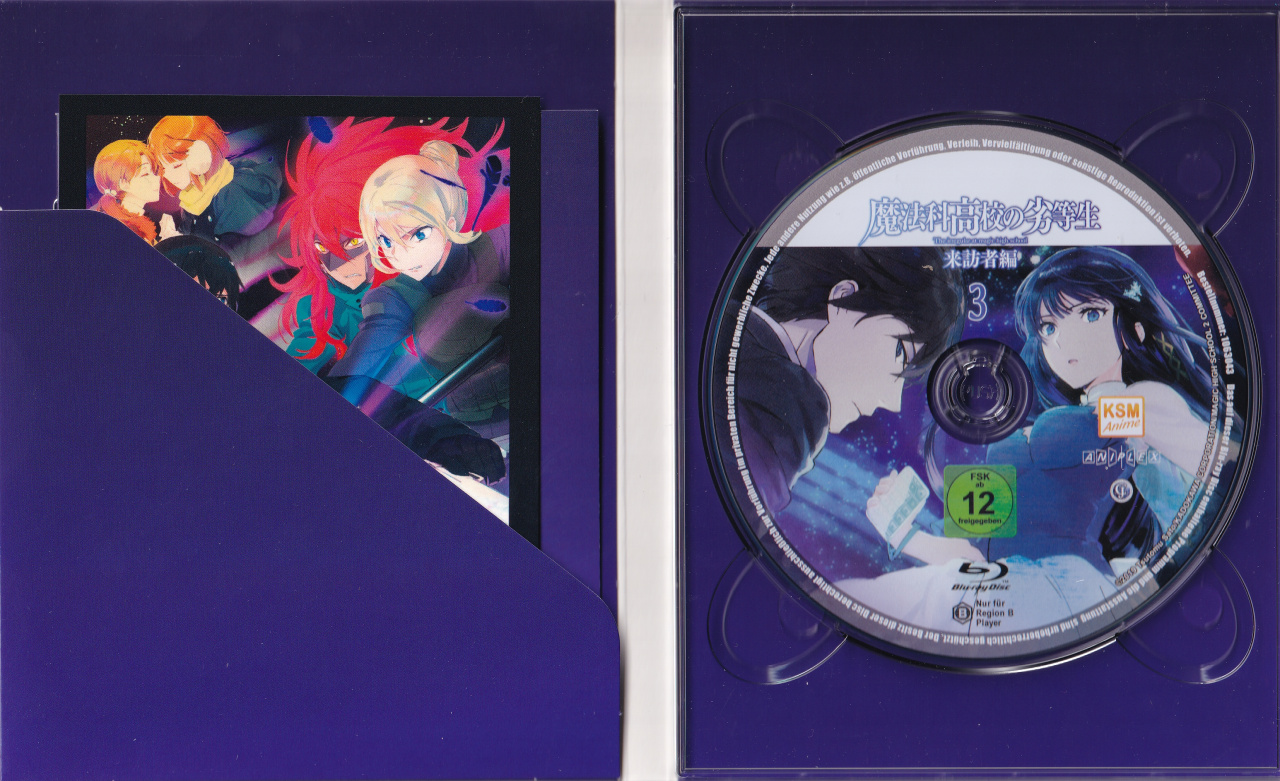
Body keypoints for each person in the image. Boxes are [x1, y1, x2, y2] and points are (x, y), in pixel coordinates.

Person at [981, 246, 1213, 573]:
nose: (1065, 340)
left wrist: (1028, 438)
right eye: (1048, 328)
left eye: (1091, 314)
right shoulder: (1090, 413)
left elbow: (1091, 427)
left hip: (1202, 547)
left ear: (1134, 329)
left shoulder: (1146, 398)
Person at [736, 245, 974, 565]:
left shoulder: (733, 332)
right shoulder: (790, 406)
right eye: (899, 352)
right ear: (844, 301)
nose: (892, 402)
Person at [275, 116, 503, 378]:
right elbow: (296, 369)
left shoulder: (461, 253)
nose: (338, 262)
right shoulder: (328, 308)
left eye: (354, 241)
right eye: (321, 246)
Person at [328, 138, 511, 441]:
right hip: (479, 421)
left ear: (448, 222)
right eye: (386, 241)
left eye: (416, 235)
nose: (400, 254)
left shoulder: (497, 245)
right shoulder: (395, 296)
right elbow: (367, 350)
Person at [147, 115, 282, 243]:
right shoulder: (191, 197)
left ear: (201, 155)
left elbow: (235, 253)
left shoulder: (232, 196)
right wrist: (174, 238)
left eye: (176, 166)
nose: (168, 175)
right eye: (164, 168)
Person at [89, 139, 179, 244]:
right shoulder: (121, 228)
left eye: (154, 171)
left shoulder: (133, 219)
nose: (156, 179)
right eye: (145, 174)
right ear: (123, 183)